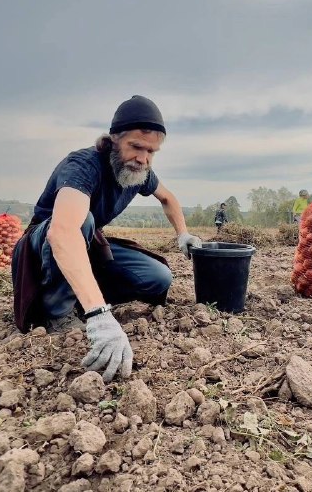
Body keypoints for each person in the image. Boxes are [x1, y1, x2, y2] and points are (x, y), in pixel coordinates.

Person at [11, 95, 202, 382]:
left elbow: (168, 198)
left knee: (158, 277)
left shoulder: (139, 171)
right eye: (136, 147)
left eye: (152, 151)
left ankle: (81, 294)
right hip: (41, 249)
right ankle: (58, 312)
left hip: (83, 246)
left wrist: (183, 233)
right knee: (81, 221)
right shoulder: (83, 165)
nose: (143, 158)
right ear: (114, 138)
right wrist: (100, 315)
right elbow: (62, 233)